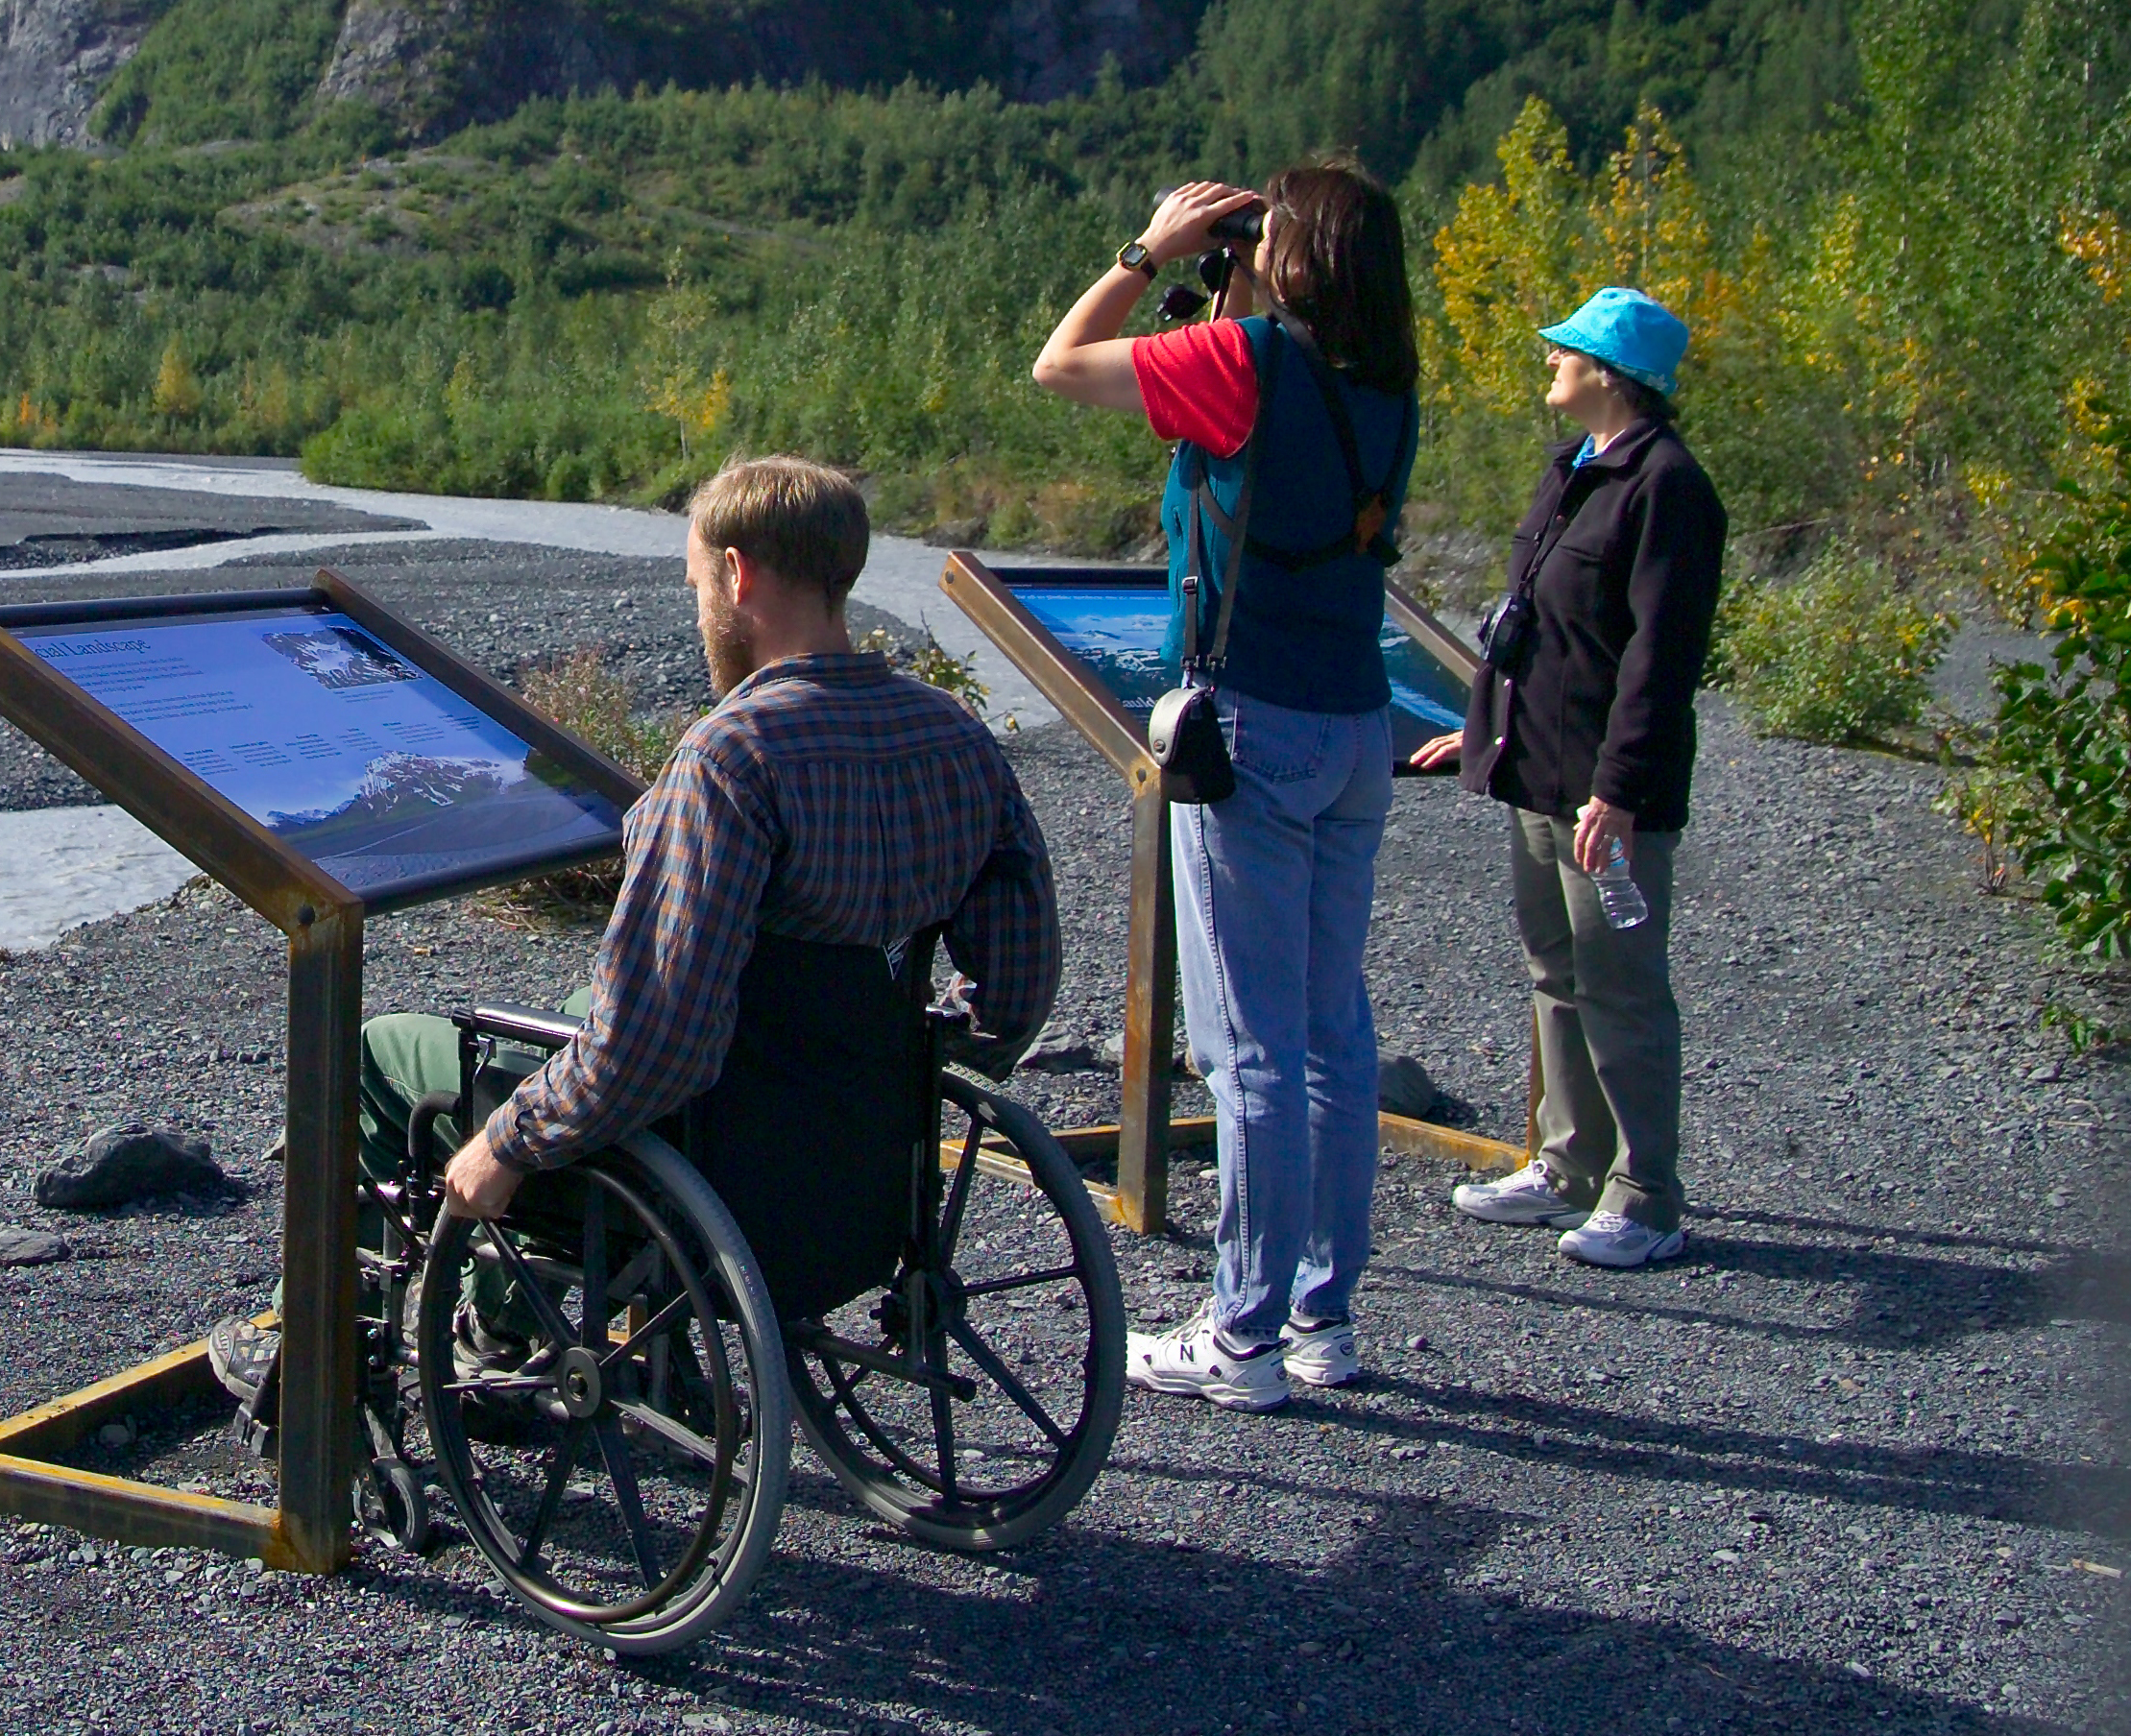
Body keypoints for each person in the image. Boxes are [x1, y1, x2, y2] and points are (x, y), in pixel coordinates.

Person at [208, 456, 1060, 1416]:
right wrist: (900, 1062)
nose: (696, 600)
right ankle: (497, 1318)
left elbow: (663, 1039)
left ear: (739, 575)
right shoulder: (954, 738)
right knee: (574, 1020)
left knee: (379, 1057)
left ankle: (311, 1335)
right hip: (855, 1163)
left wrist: (511, 1143)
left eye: (697, 578)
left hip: (711, 1161)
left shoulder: (731, 761)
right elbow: (1017, 987)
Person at [1029, 161, 1420, 1410]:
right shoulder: (1385, 384)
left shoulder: (1247, 362)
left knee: (1246, 1050)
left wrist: (1147, 253)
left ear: (1288, 254)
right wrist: (1228, 284)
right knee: (1328, 1040)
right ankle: (1320, 1320)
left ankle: (1239, 1337)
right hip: (1354, 725)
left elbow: (1061, 363)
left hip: (1248, 724)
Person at [1411, 286, 1726, 1270]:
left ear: (1610, 372)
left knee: (1623, 987)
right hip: (1537, 775)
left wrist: (1618, 793)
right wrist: (1481, 734)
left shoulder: (1668, 486)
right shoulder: (1573, 469)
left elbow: (1657, 662)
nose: (1550, 359)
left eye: (1567, 350)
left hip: (1605, 796)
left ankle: (1647, 1198)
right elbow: (1536, 635)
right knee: (1556, 973)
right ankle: (1570, 1165)